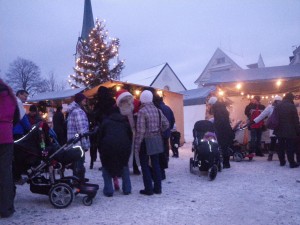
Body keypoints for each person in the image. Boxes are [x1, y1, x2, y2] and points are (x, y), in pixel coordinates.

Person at [134, 90, 169, 196]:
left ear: (142, 99)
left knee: (144, 165)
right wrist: (159, 131)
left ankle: (148, 189)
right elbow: (166, 124)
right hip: (157, 139)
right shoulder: (158, 110)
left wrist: (137, 146)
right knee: (156, 164)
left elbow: (140, 131)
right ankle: (158, 188)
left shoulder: (142, 112)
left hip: (145, 140)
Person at [98, 104, 133, 197]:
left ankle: (109, 190)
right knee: (124, 165)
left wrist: (100, 149)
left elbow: (100, 137)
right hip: (124, 146)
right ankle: (127, 189)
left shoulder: (105, 122)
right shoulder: (125, 122)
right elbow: (130, 136)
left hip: (108, 147)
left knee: (106, 166)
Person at [0, 79, 18, 218]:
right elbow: (17, 118)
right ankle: (6, 208)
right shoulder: (11, 97)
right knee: (6, 173)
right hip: (6, 137)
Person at [67, 93, 90, 182]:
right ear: (80, 100)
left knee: (77, 163)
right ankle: (78, 182)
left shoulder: (73, 111)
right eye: (84, 99)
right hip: (78, 143)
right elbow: (82, 131)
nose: (86, 100)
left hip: (73, 142)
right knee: (79, 163)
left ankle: (78, 181)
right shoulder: (78, 112)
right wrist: (85, 145)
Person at [273, 93, 300, 168]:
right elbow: (295, 119)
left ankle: (282, 161)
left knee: (280, 146)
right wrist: (298, 130)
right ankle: (291, 162)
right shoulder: (292, 106)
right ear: (291, 98)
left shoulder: (278, 105)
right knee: (290, 146)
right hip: (290, 129)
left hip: (279, 129)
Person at [252, 96, 282, 161]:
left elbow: (262, 115)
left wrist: (254, 121)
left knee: (275, 142)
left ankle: (273, 156)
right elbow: (262, 115)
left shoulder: (271, 107)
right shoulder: (279, 107)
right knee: (278, 142)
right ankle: (278, 157)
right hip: (278, 128)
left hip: (276, 128)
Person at [207, 96, 234, 168]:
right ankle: (226, 163)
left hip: (222, 130)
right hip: (226, 129)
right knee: (224, 147)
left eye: (210, 105)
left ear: (213, 104)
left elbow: (220, 120)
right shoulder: (222, 107)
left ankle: (224, 163)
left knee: (221, 147)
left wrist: (215, 126)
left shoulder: (217, 109)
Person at [153, 93, 175, 180]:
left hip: (159, 134)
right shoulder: (168, 108)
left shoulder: (157, 108)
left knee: (159, 154)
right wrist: (169, 129)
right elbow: (173, 120)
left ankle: (160, 171)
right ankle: (164, 167)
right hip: (166, 133)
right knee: (165, 151)